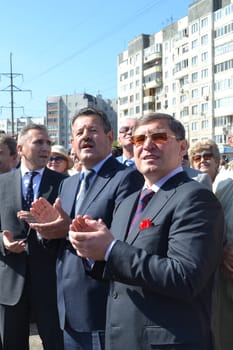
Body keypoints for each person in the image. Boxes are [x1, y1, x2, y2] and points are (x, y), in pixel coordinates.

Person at [68, 112, 224, 350]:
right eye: (139, 140)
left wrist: (110, 249)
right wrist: (91, 252)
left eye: (159, 137)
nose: (147, 145)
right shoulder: (129, 201)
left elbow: (184, 277)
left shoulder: (195, 197)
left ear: (182, 147)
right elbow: (120, 268)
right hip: (123, 338)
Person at [29, 107, 144, 350]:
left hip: (102, 305)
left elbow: (121, 239)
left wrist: (66, 228)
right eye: (79, 132)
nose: (85, 136)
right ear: (71, 142)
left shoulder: (127, 178)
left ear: (109, 136)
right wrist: (46, 231)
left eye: (93, 130)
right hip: (67, 308)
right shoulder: (68, 184)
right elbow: (58, 240)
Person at [0, 124, 66, 350]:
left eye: (48, 142)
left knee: (56, 343)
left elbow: (70, 229)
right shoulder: (2, 184)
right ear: (20, 147)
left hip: (50, 283)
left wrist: (49, 228)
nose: (46, 147)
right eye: (39, 142)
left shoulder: (64, 183)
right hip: (10, 284)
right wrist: (4, 242)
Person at [189, 140, 233, 350]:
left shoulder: (227, 184)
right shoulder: (196, 186)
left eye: (207, 156)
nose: (202, 161)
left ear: (218, 160)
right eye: (197, 158)